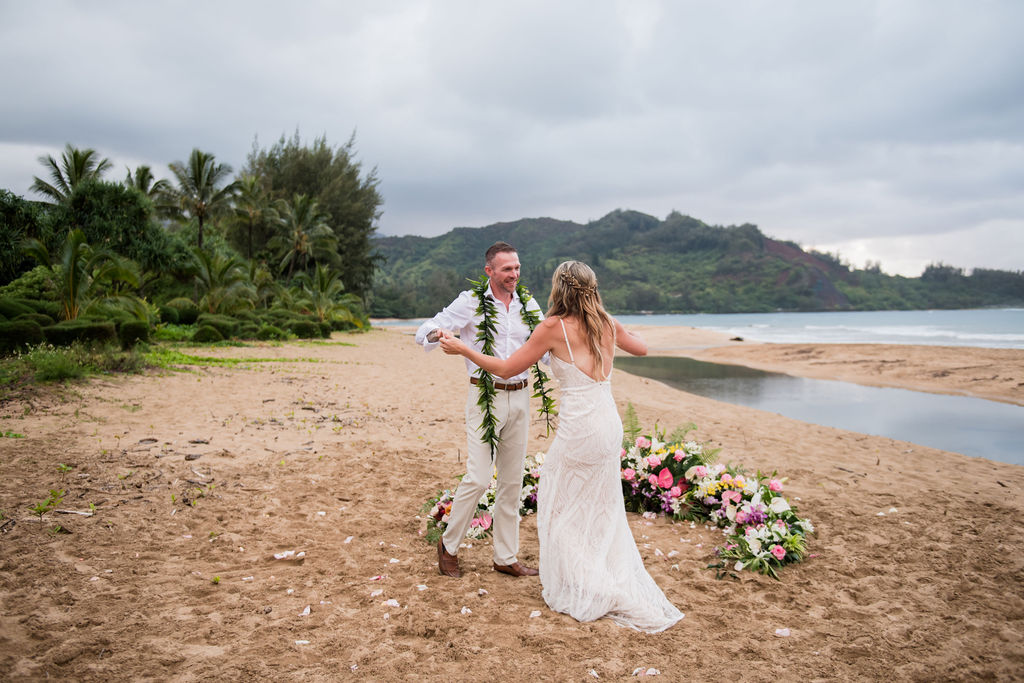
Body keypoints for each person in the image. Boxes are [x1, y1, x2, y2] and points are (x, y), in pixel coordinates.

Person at [439, 260, 684, 632]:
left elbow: (506, 369)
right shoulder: (606, 322)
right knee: (600, 505)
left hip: (580, 429)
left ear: (559, 289)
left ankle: (582, 581)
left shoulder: (553, 327)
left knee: (557, 505)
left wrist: (464, 349)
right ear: (592, 288)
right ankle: (594, 571)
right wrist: (617, 327)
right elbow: (642, 348)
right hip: (608, 424)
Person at [416, 242, 542, 579]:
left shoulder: (528, 304)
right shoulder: (471, 302)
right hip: (484, 395)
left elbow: (544, 348)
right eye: (507, 269)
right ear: (489, 271)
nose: (514, 274)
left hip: (521, 396)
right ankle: (448, 545)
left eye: (517, 267)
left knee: (513, 481)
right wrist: (437, 334)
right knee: (479, 477)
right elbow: (426, 328)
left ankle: (505, 557)